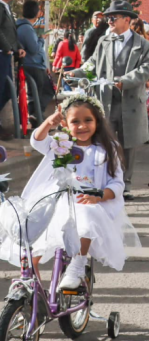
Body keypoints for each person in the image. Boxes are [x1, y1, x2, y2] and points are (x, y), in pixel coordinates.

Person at [0, 95, 141, 289]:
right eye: (75, 121)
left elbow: (117, 183)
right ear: (65, 124)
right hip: (56, 200)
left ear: (97, 121)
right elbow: (37, 141)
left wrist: (99, 195)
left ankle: (77, 265)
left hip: (88, 201)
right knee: (31, 233)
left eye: (88, 120)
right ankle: (35, 293)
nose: (82, 126)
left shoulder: (107, 148)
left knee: (85, 214)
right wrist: (49, 122)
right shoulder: (61, 144)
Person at [69, 0, 149, 199]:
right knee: (105, 141)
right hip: (105, 101)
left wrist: (125, 80)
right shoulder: (104, 41)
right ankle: (105, 182)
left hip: (131, 101)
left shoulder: (143, 44)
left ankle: (125, 185)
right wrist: (77, 73)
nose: (109, 21)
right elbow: (92, 63)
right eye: (107, 18)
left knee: (128, 144)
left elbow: (147, 68)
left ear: (127, 20)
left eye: (113, 17)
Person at [16, 0, 54, 120]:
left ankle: (36, 115)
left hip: (34, 64)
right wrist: (41, 39)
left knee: (37, 92)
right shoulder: (27, 28)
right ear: (37, 13)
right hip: (33, 65)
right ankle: (36, 115)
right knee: (41, 92)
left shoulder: (21, 26)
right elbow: (34, 49)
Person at [0, 0, 24, 139]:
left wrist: (18, 48)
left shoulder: (6, 8)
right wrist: (7, 48)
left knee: (8, 91)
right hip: (2, 55)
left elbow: (12, 32)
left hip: (8, 55)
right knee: (3, 89)